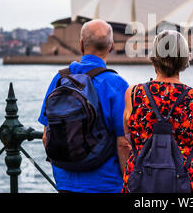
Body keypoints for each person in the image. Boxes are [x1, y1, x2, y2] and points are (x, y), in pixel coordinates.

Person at [38, 19, 131, 193]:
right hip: (105, 183)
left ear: (81, 45)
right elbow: (123, 143)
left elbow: (46, 136)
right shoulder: (117, 85)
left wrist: (63, 169)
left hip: (65, 182)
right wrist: (128, 182)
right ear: (111, 46)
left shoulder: (59, 79)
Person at [122, 30, 193, 193]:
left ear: (153, 59)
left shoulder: (134, 94)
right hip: (183, 183)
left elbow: (129, 139)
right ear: (184, 60)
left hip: (140, 182)